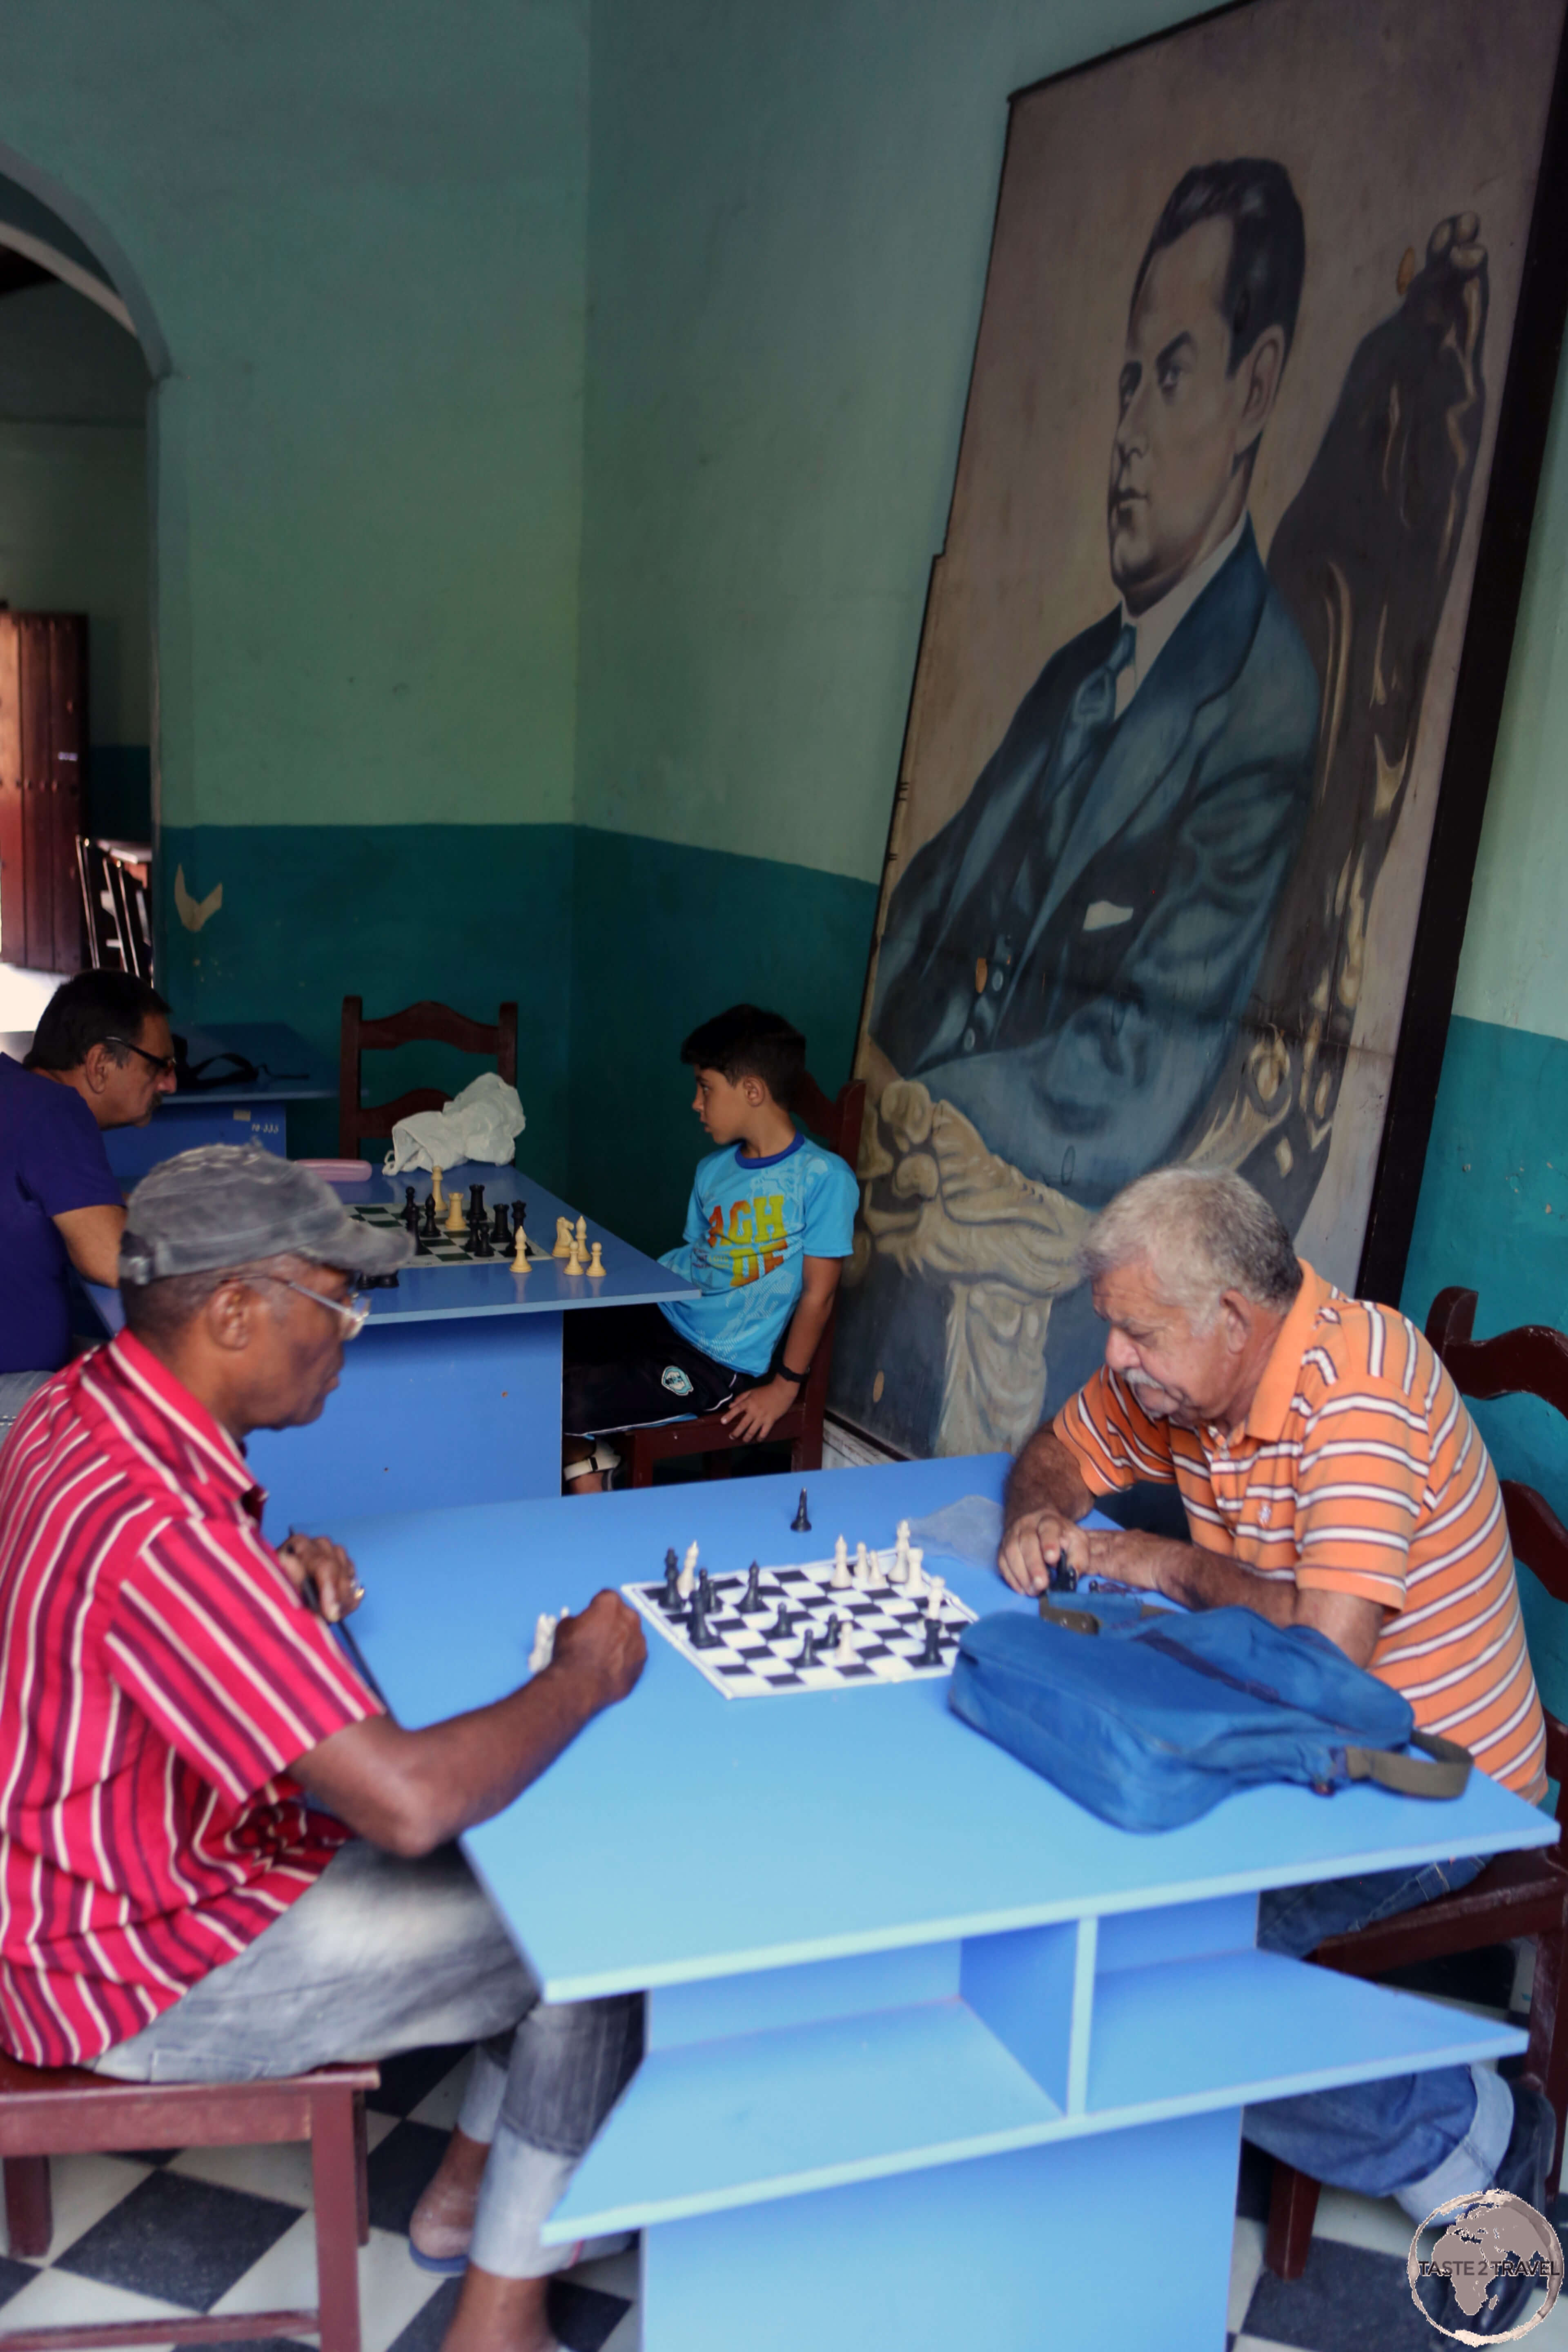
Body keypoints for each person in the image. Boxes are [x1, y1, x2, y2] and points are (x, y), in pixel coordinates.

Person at [0, 1146, 648, 2352]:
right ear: (235, 1310)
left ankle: (468, 2194)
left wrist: (264, 1588)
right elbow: (405, 1802)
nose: (347, 1338)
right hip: (121, 1965)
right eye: (335, 1305)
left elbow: (125, 1626)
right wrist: (583, 1675)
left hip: (62, 1878)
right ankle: (497, 2316)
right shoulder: (163, 1532)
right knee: (590, 1913)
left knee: (514, 1847)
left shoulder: (81, 1408)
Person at [999, 1165, 1553, 2334]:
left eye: (1136, 1331)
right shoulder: (1179, 1379)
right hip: (1281, 1740)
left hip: (1436, 1782)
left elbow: (1333, 1663)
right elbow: (1056, 1452)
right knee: (1080, 1900)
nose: (1114, 1358)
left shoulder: (1361, 1391)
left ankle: (1467, 2133)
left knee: (1139, 1965)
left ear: (1237, 1322)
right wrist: (1038, 1517)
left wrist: (1157, 1565)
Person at [843, 158, 1322, 1454]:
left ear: (1256, 385)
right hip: (924, 1208)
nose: (1125, 424)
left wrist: (912, 1101)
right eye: (1125, 377)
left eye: (1170, 372)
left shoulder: (1258, 702)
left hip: (1074, 1267)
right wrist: (868, 1079)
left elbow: (1129, 1080)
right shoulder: (1078, 673)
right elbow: (927, 905)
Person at [562, 1005, 858, 1491]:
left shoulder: (824, 1180)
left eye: (705, 1087)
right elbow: (701, 1264)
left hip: (716, 1361)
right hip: (658, 1310)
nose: (696, 1104)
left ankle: (586, 1469)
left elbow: (819, 1295)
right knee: (537, 1342)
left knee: (566, 1399)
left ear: (753, 1092)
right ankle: (588, 1454)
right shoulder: (713, 1171)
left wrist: (786, 1387)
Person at [0, 970, 176, 1423]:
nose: (169, 1084)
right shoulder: (54, 1111)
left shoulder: (16, 1093)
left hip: (20, 1375)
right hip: (10, 1391)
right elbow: (110, 1259)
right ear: (100, 1064)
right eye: (159, 1065)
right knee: (164, 1409)